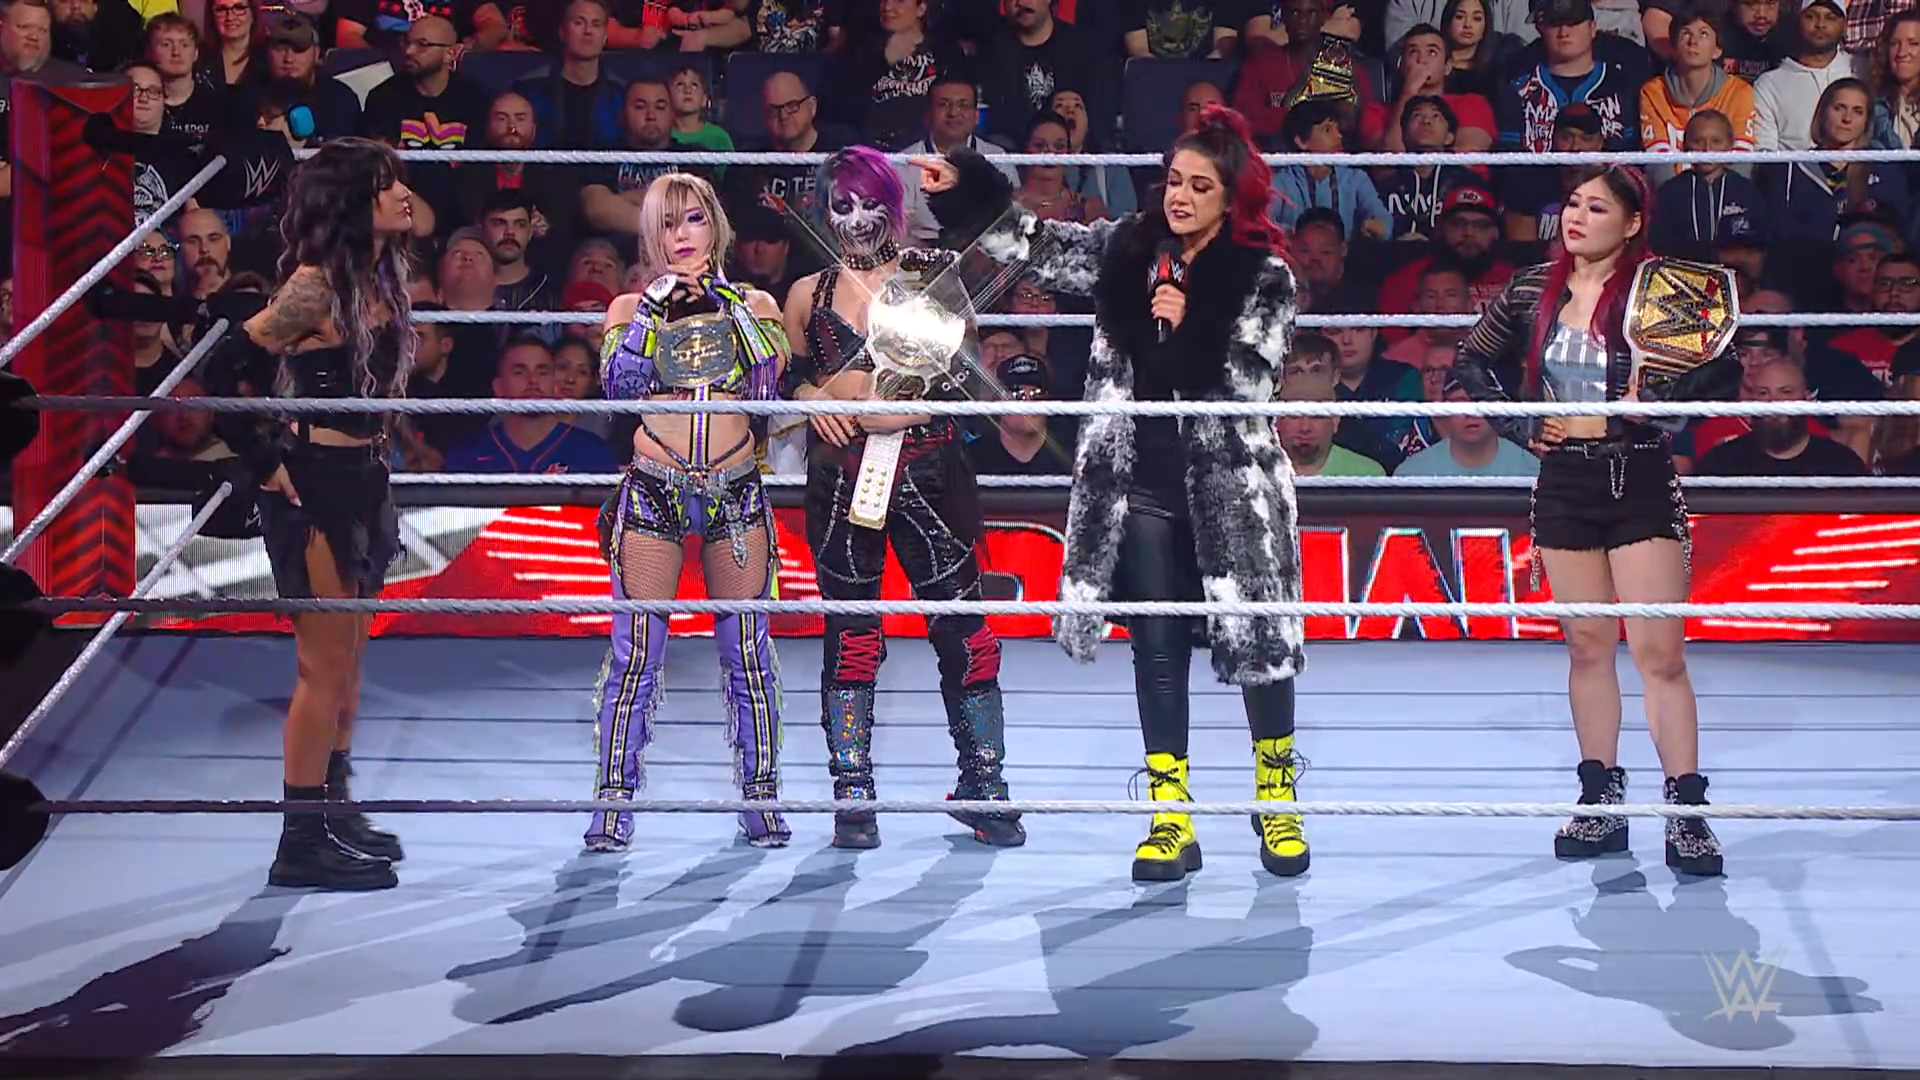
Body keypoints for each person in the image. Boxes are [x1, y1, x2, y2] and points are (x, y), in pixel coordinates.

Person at [921, 105, 1311, 884]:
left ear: (1231, 198)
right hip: (1140, 484)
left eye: (1200, 186)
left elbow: (1250, 381)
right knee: (1156, 647)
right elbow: (1034, 249)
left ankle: (1277, 799)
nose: (1180, 197)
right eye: (1174, 180)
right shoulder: (1126, 247)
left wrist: (1190, 321)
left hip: (1235, 485)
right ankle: (1171, 816)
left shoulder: (1264, 275)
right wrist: (965, 188)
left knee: (1260, 646)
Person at [1453, 165, 1740, 877]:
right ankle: (1599, 800)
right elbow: (1472, 361)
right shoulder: (1532, 288)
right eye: (1573, 204)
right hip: (1565, 480)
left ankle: (1686, 812)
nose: (1576, 218)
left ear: (1633, 222)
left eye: (1597, 208)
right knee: (1587, 648)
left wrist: (1664, 398)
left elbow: (1723, 367)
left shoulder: (1661, 289)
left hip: (1637, 472)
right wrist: (1521, 424)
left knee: (1659, 655)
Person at [780, 145, 1025, 852]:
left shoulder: (934, 277)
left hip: (928, 472)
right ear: (825, 211)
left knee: (965, 632)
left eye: (870, 204)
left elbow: (969, 379)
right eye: (842, 205)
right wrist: (812, 400)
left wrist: (905, 413)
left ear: (894, 206)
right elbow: (789, 377)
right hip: (841, 478)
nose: (857, 218)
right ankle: (852, 795)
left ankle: (985, 785)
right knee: (851, 636)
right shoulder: (808, 294)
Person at [200, 138, 417, 892]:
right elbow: (224, 368)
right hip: (314, 482)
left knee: (349, 662)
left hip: (364, 476)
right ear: (354, 201)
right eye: (387, 185)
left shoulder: (378, 275)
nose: (404, 195)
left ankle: (334, 808)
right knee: (321, 667)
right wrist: (265, 459)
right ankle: (299, 841)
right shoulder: (315, 285)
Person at [588, 172, 791, 854]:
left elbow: (766, 383)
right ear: (651, 234)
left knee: (748, 652)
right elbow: (620, 388)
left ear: (716, 226)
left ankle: (761, 796)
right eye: (667, 223)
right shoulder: (627, 306)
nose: (681, 235)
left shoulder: (755, 302)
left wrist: (726, 305)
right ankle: (613, 801)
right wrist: (653, 312)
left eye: (694, 219)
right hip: (654, 485)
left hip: (735, 488)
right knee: (636, 654)